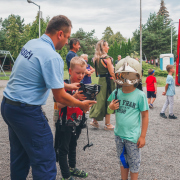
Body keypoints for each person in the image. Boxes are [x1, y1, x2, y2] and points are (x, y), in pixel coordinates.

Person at [1, 15, 96, 180]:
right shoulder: (52, 56)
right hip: (26, 111)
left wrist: (67, 85)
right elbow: (59, 98)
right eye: (66, 37)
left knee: (20, 156)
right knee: (45, 160)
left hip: (9, 107)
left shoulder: (32, 44)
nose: (67, 42)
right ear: (60, 34)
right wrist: (81, 105)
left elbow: (36, 76)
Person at [107, 56, 149, 180]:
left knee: (134, 163)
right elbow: (109, 110)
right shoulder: (116, 93)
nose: (125, 78)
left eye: (129, 75)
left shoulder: (140, 95)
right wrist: (110, 107)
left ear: (137, 76)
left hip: (133, 137)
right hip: (119, 135)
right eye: (123, 75)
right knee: (123, 162)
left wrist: (142, 136)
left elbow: (145, 116)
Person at [55, 57, 88, 180]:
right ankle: (66, 176)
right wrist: (73, 96)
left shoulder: (82, 86)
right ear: (70, 71)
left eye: (83, 73)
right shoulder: (62, 86)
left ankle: (72, 168)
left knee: (73, 145)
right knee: (63, 149)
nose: (81, 76)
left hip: (77, 122)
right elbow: (59, 105)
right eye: (78, 73)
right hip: (65, 123)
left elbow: (83, 105)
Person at [89, 40, 115, 130]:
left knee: (99, 100)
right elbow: (112, 72)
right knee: (108, 100)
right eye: (107, 46)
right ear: (103, 47)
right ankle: (107, 124)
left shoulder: (95, 58)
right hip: (108, 82)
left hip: (101, 81)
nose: (108, 47)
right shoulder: (107, 58)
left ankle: (94, 120)